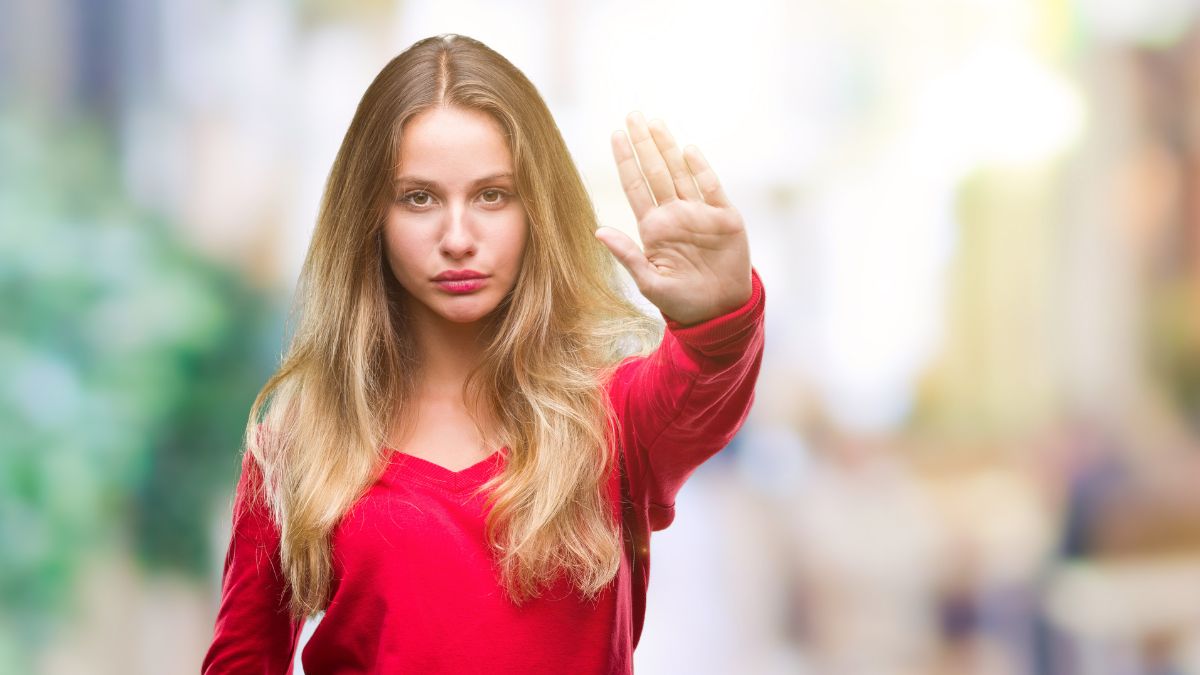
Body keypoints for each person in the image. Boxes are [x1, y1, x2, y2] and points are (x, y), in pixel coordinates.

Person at [201, 33, 765, 674]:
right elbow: (243, 660)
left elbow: (704, 390)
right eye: (419, 198)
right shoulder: (301, 438)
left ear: (537, 209)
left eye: (492, 195)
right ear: (370, 217)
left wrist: (716, 317)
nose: (458, 237)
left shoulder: (611, 418)